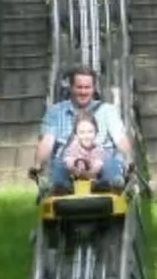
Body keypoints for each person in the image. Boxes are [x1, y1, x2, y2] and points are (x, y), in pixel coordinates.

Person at [34, 64, 133, 193]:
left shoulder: (107, 110)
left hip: (102, 159)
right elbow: (47, 141)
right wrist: (37, 165)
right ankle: (60, 191)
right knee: (58, 168)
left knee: (111, 165)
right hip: (67, 161)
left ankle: (107, 188)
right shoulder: (55, 112)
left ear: (93, 88)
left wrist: (129, 159)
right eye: (79, 87)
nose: (83, 92)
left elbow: (120, 138)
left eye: (87, 87)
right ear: (71, 87)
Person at [62, 111, 108, 181]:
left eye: (90, 132)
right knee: (59, 167)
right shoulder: (73, 148)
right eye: (82, 132)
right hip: (74, 178)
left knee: (110, 166)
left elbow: (97, 166)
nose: (86, 136)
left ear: (96, 132)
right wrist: (75, 168)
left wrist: (88, 174)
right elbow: (69, 161)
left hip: (92, 178)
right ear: (76, 135)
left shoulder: (98, 149)